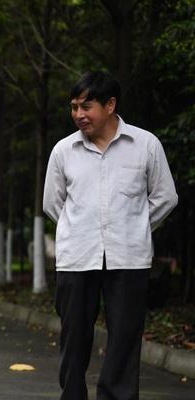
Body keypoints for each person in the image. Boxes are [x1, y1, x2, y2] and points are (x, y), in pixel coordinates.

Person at [43, 71, 178, 400]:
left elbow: (165, 197)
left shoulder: (145, 145)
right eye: (74, 107)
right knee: (74, 338)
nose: (78, 115)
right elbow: (52, 203)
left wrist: (135, 226)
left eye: (86, 106)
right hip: (77, 258)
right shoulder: (64, 151)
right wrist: (80, 229)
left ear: (110, 105)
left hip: (129, 258)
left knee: (124, 338)